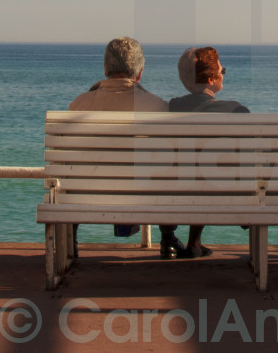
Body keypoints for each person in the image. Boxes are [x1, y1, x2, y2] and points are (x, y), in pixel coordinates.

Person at [68, 37, 186, 259]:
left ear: (105, 68)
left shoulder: (79, 104)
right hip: (144, 195)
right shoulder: (157, 106)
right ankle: (168, 238)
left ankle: (70, 241)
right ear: (139, 72)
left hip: (86, 194)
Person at [166, 46, 250, 258]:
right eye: (222, 71)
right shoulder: (236, 110)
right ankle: (194, 242)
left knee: (192, 170)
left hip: (173, 192)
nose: (223, 74)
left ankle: (179, 241)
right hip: (223, 192)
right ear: (211, 80)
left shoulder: (172, 107)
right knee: (209, 171)